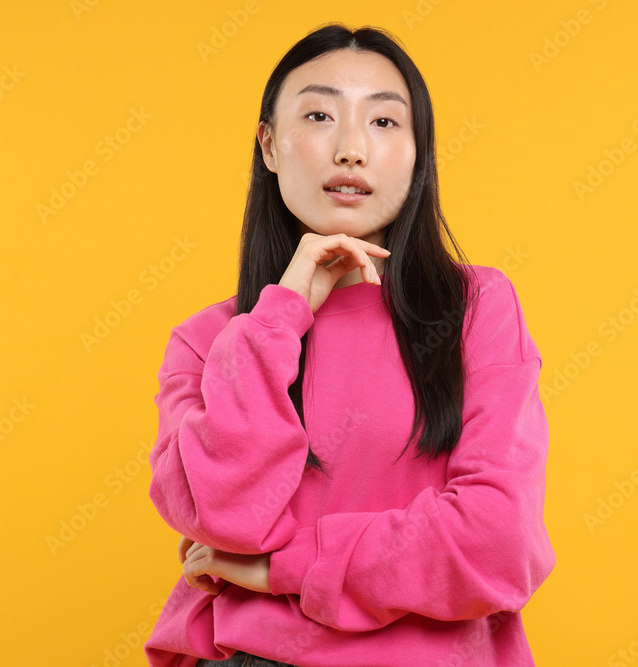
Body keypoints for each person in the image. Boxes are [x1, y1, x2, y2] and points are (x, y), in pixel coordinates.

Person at [144, 22, 555, 667]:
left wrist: (286, 564)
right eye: (318, 114)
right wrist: (279, 318)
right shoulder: (209, 342)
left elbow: (497, 545)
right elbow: (222, 520)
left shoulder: (476, 308)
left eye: (385, 123)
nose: (352, 149)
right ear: (270, 146)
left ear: (419, 153)